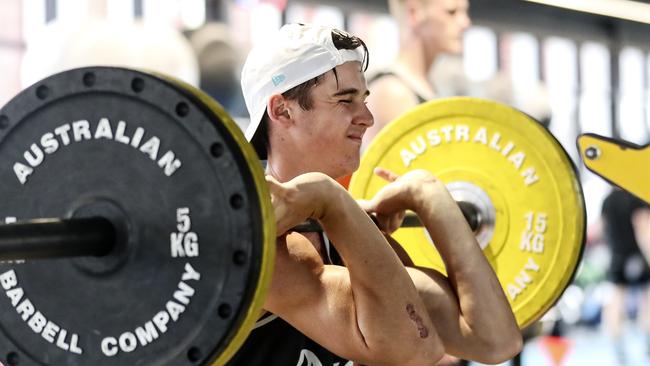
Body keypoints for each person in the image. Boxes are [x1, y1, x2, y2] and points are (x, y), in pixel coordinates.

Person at [227, 23, 521, 366]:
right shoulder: (262, 242)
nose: (366, 118)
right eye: (344, 100)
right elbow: (413, 351)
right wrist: (332, 201)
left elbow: (495, 340)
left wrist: (428, 195)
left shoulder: (342, 231)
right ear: (282, 111)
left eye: (363, 100)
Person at [362, 0, 471, 150]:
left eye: (464, 12)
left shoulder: (424, 88)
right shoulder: (395, 93)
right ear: (413, 13)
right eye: (451, 12)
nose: (465, 22)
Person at [600, 188, 650, 362]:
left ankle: (616, 344)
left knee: (616, 299)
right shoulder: (637, 196)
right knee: (647, 298)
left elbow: (603, 229)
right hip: (636, 255)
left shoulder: (607, 200)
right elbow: (643, 227)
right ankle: (648, 342)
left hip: (616, 256)